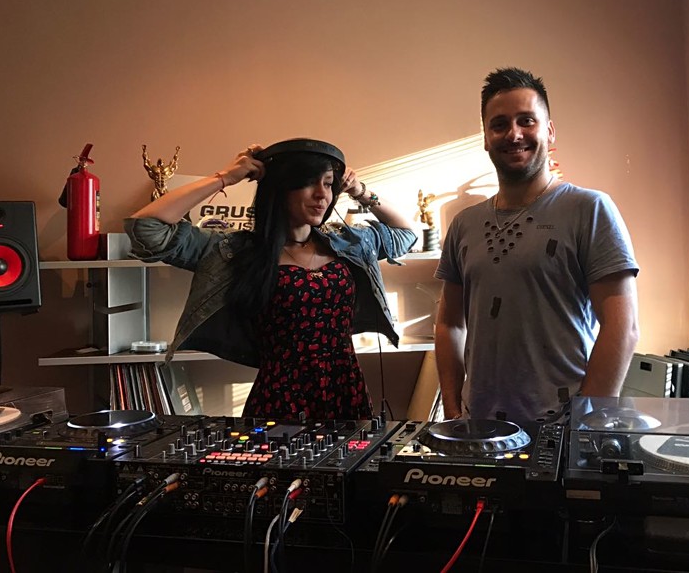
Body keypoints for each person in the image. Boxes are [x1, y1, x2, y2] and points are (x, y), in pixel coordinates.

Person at [125, 139, 417, 419]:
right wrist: (225, 178)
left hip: (346, 390)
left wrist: (361, 191)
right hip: (279, 396)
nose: (322, 195)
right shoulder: (235, 251)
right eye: (309, 182)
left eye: (329, 184)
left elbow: (406, 234)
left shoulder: (350, 243)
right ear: (280, 188)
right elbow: (146, 229)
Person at [434, 68, 640, 422]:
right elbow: (450, 324)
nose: (514, 134)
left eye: (526, 120)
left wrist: (583, 423)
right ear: (485, 138)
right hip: (478, 430)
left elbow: (623, 327)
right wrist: (453, 413)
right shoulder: (463, 225)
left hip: (561, 429)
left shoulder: (589, 209)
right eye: (499, 124)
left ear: (550, 130)